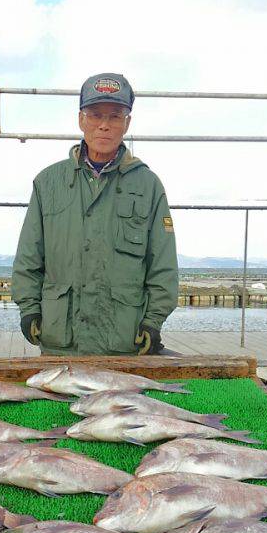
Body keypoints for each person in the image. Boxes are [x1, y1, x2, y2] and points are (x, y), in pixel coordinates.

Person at [12, 72, 178, 356]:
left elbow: (163, 264)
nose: (104, 125)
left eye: (115, 116)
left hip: (123, 342)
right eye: (95, 115)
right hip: (60, 342)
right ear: (81, 120)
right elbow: (29, 256)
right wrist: (29, 309)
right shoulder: (48, 183)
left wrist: (153, 321)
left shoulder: (148, 185)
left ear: (127, 123)